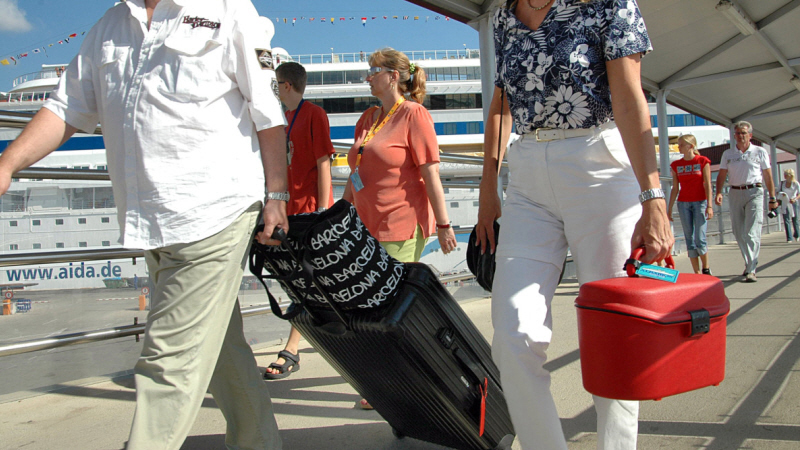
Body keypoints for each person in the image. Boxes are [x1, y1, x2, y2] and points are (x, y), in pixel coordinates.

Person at [0, 2, 288, 449]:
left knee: (166, 363)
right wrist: (7, 164)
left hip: (214, 211)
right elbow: (66, 108)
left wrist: (277, 197)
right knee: (219, 352)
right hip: (152, 219)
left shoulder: (226, 8)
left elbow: (267, 112)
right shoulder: (111, 25)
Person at [475, 1, 673, 449]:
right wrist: (489, 185)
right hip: (527, 175)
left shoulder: (608, 3)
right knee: (512, 335)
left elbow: (629, 98)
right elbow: (503, 103)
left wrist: (653, 197)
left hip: (600, 168)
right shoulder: (504, 16)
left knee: (612, 331)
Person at [342, 47, 458, 409]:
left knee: (386, 305)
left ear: (393, 76)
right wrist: (339, 216)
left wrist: (444, 224)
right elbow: (355, 172)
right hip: (365, 226)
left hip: (401, 223)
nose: (367, 77)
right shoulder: (369, 117)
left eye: (373, 70)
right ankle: (393, 376)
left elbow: (430, 174)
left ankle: (395, 381)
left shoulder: (414, 114)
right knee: (368, 303)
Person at [264, 61, 335, 380]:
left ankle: (292, 349)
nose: (273, 90)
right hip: (286, 212)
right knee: (297, 281)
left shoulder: (313, 114)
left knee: (306, 282)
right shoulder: (282, 117)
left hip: (307, 213)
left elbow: (323, 163)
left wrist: (322, 212)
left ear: (287, 85)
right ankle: (312, 337)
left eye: (275, 84)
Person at [715, 121, 777, 282]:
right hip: (735, 192)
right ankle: (750, 261)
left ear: (750, 135)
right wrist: (719, 192)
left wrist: (772, 197)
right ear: (734, 136)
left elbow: (767, 175)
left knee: (751, 231)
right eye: (738, 133)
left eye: (743, 133)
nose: (740, 136)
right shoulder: (728, 154)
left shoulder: (759, 152)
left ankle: (751, 268)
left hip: (754, 191)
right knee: (738, 231)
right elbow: (722, 174)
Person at [667, 134, 714, 274]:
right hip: (683, 203)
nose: (679, 147)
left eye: (682, 145)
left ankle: (706, 268)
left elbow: (707, 184)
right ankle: (696, 272)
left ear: (691, 146)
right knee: (689, 238)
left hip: (700, 202)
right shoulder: (676, 165)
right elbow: (675, 188)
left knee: (700, 237)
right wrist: (669, 208)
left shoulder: (702, 161)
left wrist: (709, 206)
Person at [777, 169, 800, 243]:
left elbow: (799, 193)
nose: (784, 176)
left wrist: (795, 199)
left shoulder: (795, 184)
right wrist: (781, 194)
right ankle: (789, 238)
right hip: (785, 202)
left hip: (793, 202)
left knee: (795, 219)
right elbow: (777, 191)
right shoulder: (782, 183)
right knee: (786, 219)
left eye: (786, 175)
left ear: (790, 176)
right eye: (784, 174)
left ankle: (797, 234)